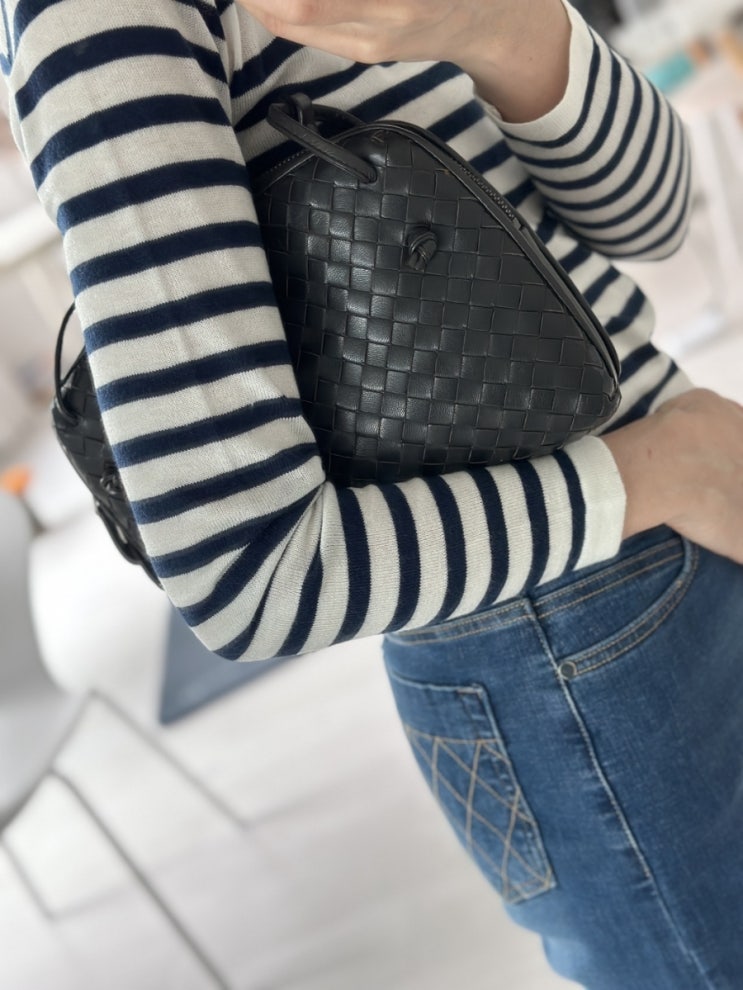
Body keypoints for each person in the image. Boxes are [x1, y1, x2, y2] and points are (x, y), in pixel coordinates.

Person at [2, 0, 742, 985]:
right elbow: (246, 574)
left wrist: (501, 28)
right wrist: (663, 469)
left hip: (657, 528)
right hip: (566, 616)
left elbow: (649, 214)